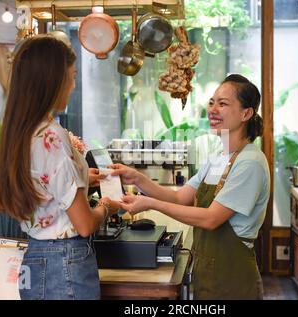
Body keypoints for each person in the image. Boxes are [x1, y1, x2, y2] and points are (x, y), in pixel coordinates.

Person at [114, 74, 270, 300]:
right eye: (212, 102)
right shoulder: (218, 157)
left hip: (233, 280)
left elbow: (211, 218)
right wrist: (137, 178)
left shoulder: (250, 162)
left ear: (246, 113)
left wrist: (150, 204)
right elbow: (179, 198)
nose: (213, 109)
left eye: (223, 103)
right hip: (208, 276)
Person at [0, 36, 120, 300]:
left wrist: (85, 177)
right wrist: (107, 206)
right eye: (72, 77)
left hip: (35, 258)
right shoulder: (52, 136)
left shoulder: (21, 132)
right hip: (65, 263)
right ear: (52, 80)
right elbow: (85, 224)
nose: (73, 86)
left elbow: (44, 185)